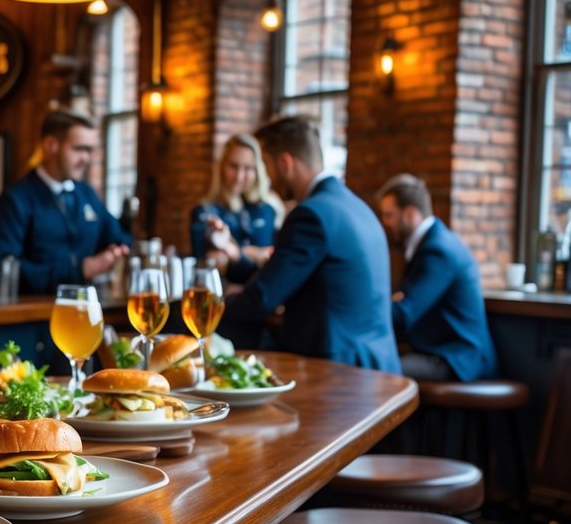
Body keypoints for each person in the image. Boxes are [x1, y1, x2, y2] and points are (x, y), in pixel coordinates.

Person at [222, 116, 401, 372]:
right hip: (378, 366)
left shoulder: (310, 215)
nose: (267, 179)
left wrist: (210, 307)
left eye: (266, 165)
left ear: (285, 163)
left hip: (338, 374)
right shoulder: (358, 206)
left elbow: (262, 299)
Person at [0, 110, 131, 295]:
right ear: (50, 145)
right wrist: (80, 271)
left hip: (85, 309)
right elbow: (2, 266)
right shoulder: (16, 200)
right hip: (31, 315)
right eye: (79, 149)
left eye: (90, 150)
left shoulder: (87, 195)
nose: (86, 159)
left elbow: (119, 237)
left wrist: (117, 252)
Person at [376, 173, 497, 381]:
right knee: (373, 361)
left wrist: (365, 308)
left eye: (389, 215)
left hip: (457, 358)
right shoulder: (431, 243)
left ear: (411, 214)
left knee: (377, 370)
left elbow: (405, 313)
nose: (384, 222)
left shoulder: (438, 250)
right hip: (437, 350)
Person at [190, 133, 283, 284]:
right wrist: (254, 254)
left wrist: (233, 252)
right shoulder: (205, 211)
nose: (240, 176)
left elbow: (270, 265)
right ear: (221, 167)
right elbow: (205, 268)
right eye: (233, 166)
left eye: (248, 168)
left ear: (257, 170)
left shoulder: (267, 209)